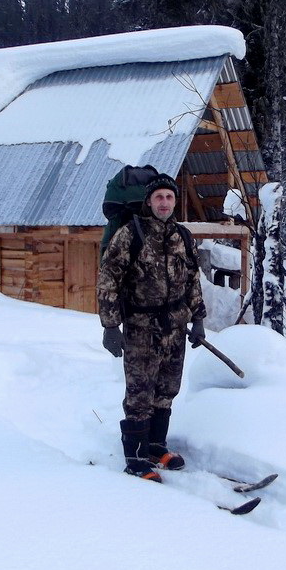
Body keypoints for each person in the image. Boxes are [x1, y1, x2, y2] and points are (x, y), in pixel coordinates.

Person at [97, 173, 207, 482]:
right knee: (140, 393)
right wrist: (110, 326)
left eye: (169, 197)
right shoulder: (130, 234)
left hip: (175, 328)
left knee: (166, 390)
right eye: (159, 197)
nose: (164, 202)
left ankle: (156, 447)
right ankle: (135, 459)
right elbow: (108, 280)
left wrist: (198, 319)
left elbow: (193, 280)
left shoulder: (183, 236)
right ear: (149, 201)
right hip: (142, 329)